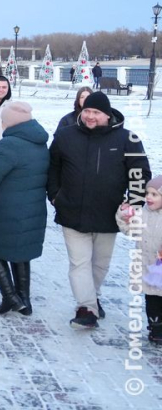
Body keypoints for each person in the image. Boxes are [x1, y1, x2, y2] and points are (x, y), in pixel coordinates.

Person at [48, 92, 151, 328]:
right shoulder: (65, 136)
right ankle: (86, 308)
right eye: (87, 111)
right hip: (71, 211)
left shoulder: (128, 139)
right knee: (79, 263)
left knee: (100, 264)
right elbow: (52, 167)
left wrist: (133, 203)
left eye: (96, 112)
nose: (90, 116)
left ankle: (91, 298)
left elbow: (140, 174)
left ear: (108, 114)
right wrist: (55, 196)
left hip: (108, 214)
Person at [0, 102, 49, 316]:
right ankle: (24, 300)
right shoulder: (39, 142)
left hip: (6, 209)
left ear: (9, 122)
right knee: (20, 253)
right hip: (32, 208)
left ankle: (10, 297)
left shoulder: (9, 144)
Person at [117, 176, 162, 345]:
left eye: (154, 194)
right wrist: (124, 216)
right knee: (152, 298)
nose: (148, 198)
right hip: (149, 266)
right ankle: (155, 326)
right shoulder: (143, 214)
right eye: (147, 194)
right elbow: (130, 230)